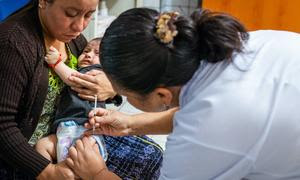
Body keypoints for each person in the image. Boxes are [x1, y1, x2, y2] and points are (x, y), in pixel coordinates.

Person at [66, 7, 300, 180]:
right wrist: (131, 124)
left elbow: (208, 119)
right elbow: (198, 110)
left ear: (162, 95)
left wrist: (97, 174)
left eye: (126, 95)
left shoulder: (208, 130)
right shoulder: (230, 46)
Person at [0, 0, 115, 179]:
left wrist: (111, 89)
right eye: (70, 13)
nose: (79, 27)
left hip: (66, 132)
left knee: (151, 155)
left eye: (89, 15)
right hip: (22, 155)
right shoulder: (13, 43)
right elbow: (3, 125)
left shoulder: (72, 38)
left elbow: (94, 77)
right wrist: (48, 172)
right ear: (44, 1)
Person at [35, 38, 163, 180]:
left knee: (64, 156)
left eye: (97, 53)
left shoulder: (97, 73)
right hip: (65, 130)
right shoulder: (82, 65)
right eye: (86, 51)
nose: (89, 55)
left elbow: (73, 78)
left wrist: (57, 63)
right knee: (42, 145)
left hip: (84, 130)